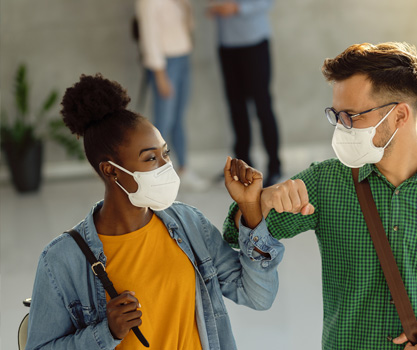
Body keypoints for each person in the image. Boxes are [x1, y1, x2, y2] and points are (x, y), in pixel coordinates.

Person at [223, 42, 417, 349]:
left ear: (399, 116)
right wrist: (259, 202)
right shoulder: (325, 181)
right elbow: (234, 231)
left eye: (352, 116)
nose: (341, 128)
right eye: (336, 116)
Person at [25, 74, 284, 350]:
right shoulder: (61, 261)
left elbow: (259, 296)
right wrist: (106, 332)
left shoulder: (188, 224)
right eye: (150, 158)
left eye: (165, 154)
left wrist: (250, 207)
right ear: (111, 171)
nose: (165, 166)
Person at [207, 0, 282, 186]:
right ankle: (242, 166)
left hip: (254, 42)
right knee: (236, 107)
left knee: (262, 106)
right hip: (226, 45)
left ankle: (275, 166)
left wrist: (238, 8)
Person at [136, 0, 207, 190]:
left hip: (183, 56)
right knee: (162, 122)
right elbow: (148, 35)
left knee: (177, 119)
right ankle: (151, 175)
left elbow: (189, 25)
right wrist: (160, 74)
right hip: (165, 63)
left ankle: (183, 168)